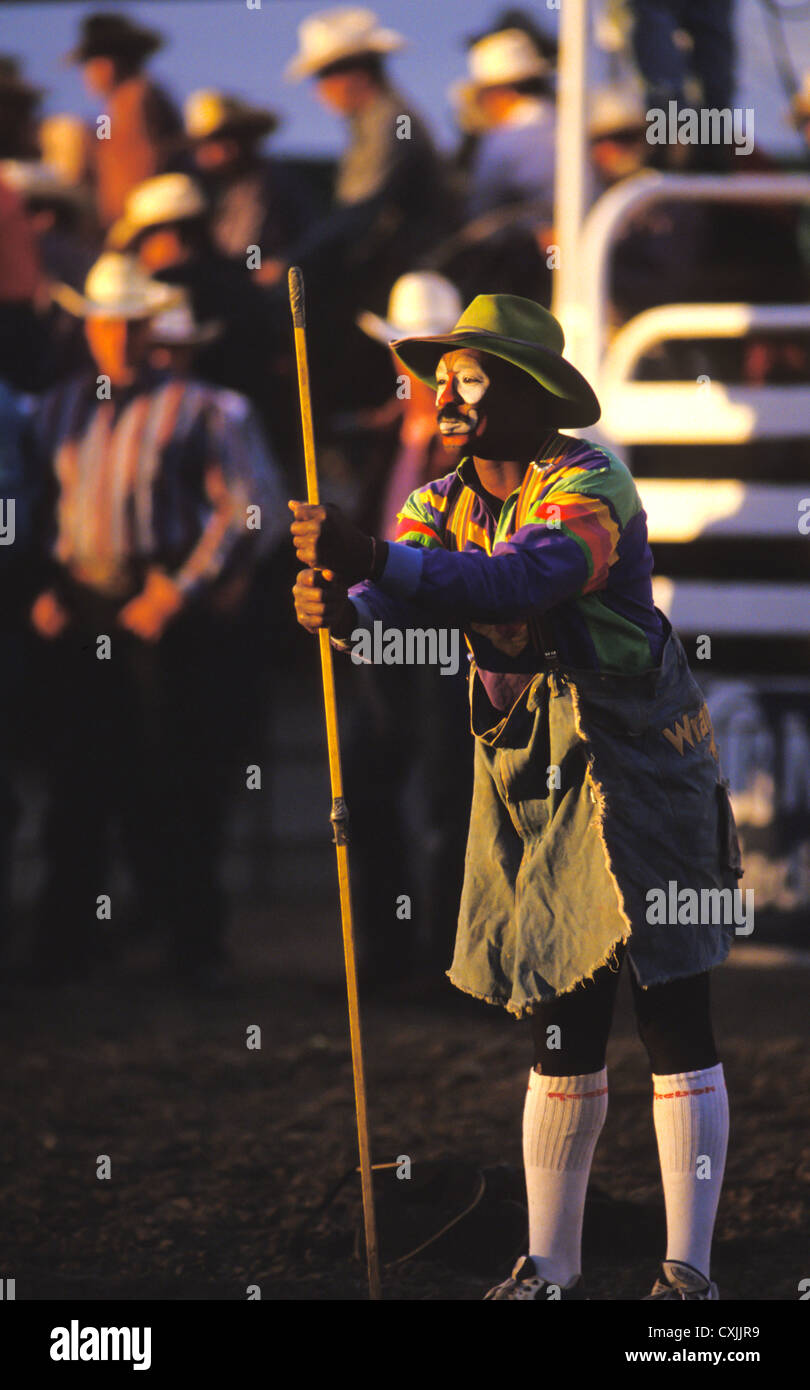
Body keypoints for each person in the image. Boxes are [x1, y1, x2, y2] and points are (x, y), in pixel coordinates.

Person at [288, 292, 742, 1300]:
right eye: (441, 375)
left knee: (672, 1010)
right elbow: (394, 607)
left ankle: (690, 1271)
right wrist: (340, 608)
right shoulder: (437, 500)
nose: (446, 392)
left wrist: (373, 566)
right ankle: (550, 1266)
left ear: (533, 395)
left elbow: (515, 584)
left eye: (470, 374)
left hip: (641, 759)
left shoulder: (592, 484)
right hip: (533, 774)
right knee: (564, 1012)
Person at [25, 252, 284, 989]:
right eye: (107, 325)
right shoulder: (58, 409)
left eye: (131, 325)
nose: (119, 338)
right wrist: (47, 584)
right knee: (79, 779)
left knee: (173, 776)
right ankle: (67, 939)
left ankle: (191, 944)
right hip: (87, 605)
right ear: (92, 329)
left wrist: (181, 588)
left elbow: (244, 507)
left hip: (161, 606)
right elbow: (44, 504)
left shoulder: (202, 408)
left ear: (148, 328)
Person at [280, 6, 448, 417]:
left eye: (325, 76)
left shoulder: (389, 122)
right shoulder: (373, 121)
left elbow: (358, 212)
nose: (320, 91)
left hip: (407, 268)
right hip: (391, 262)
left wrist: (292, 258)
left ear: (356, 73)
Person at [66, 11, 183, 229]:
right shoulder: (122, 104)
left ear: (109, 63)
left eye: (90, 64)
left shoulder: (136, 98)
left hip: (143, 220)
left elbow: (145, 162)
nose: (86, 75)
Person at [183, 90, 320, 273]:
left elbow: (253, 248)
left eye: (230, 137)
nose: (221, 149)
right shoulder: (206, 190)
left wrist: (263, 267)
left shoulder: (274, 183)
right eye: (209, 142)